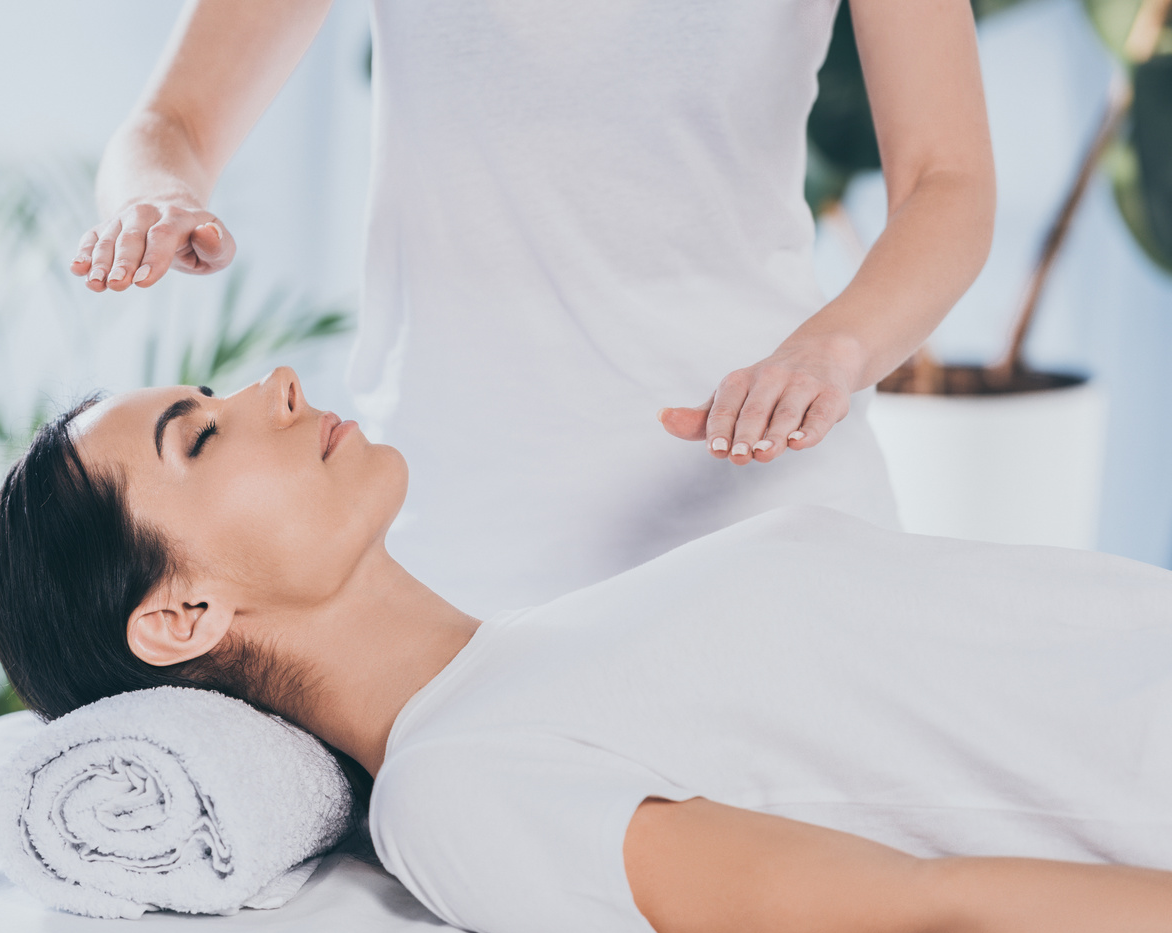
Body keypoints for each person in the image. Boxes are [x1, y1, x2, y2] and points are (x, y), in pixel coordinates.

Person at [0, 368, 1172, 933]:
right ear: (183, 612)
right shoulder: (458, 792)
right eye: (201, 433)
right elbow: (929, 914)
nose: (274, 385)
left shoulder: (543, 645)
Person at [68, 1, 996, 615]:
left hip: (764, 509)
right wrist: (154, 195)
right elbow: (173, 124)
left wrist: (831, 353)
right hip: (452, 550)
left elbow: (947, 182)